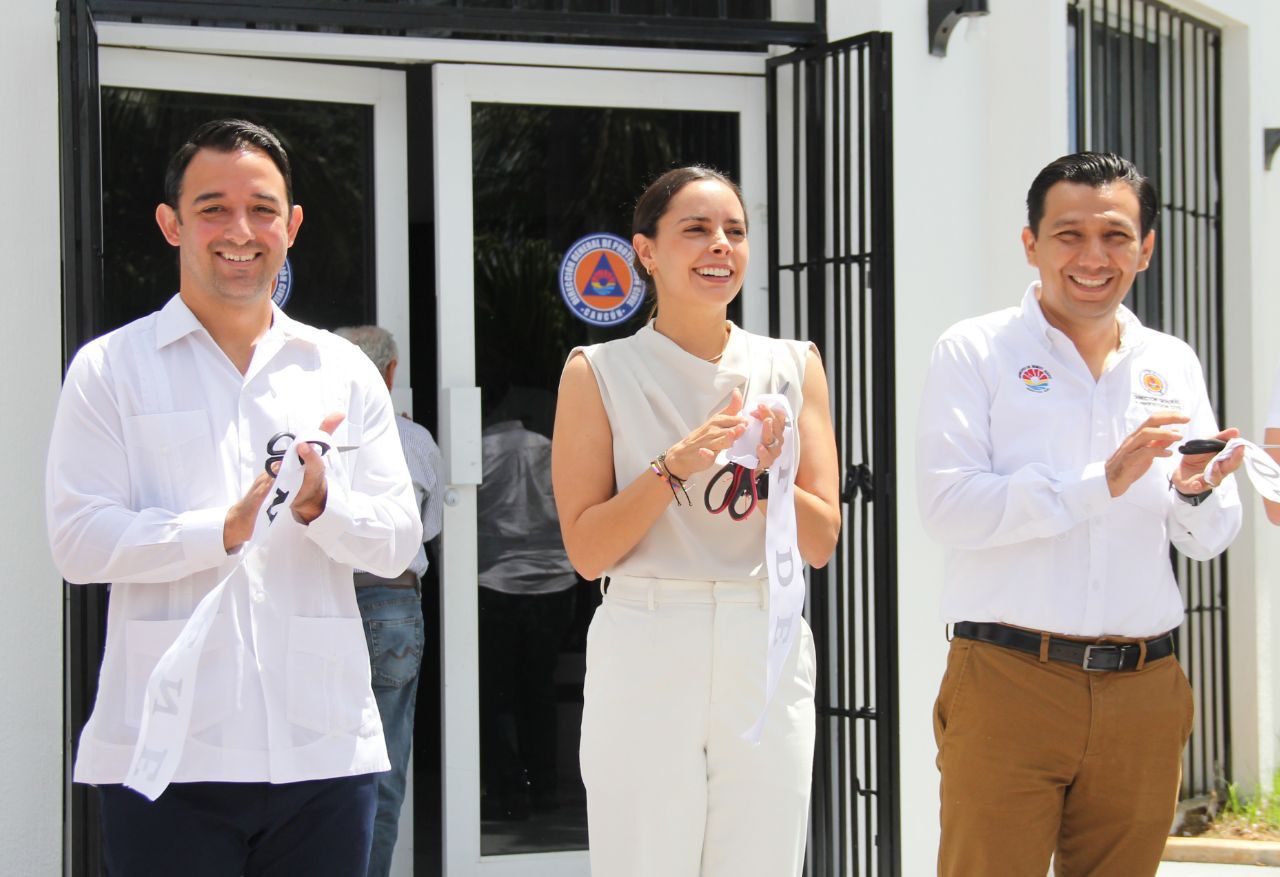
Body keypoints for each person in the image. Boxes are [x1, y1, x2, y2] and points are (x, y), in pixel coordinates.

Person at [45, 119, 422, 875]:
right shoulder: (110, 368)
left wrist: (323, 507)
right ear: (171, 224)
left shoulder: (342, 370)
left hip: (323, 752)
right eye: (213, 208)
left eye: (262, 209)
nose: (240, 231)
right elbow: (77, 541)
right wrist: (217, 528)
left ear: (292, 225)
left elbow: (396, 542)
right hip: (167, 752)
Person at [917, 152, 1245, 876]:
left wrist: (1196, 492)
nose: (1094, 257)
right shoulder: (976, 350)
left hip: (1145, 686)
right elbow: (949, 508)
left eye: (1116, 236)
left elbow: (1207, 538)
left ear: (1146, 249)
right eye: (1069, 234)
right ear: (1030, 244)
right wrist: (1101, 481)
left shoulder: (1172, 361)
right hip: (1009, 679)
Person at [552, 166, 841, 876]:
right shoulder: (597, 371)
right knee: (643, 858)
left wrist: (767, 478)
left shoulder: (792, 365)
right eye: (696, 229)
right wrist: (674, 466)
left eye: (735, 231)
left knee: (763, 858)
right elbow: (587, 551)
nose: (720, 246)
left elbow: (821, 541)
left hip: (762, 631)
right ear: (646, 251)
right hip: (648, 631)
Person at [334, 325, 443, 876]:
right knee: (384, 767)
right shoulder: (414, 440)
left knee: (318, 761)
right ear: (391, 372)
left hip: (322, 600)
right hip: (392, 602)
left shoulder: (310, 436)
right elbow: (429, 526)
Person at [476, 416, 578, 821]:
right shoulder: (549, 448)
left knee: (492, 693)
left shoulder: (479, 450)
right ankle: (545, 788)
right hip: (555, 582)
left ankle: (507, 788)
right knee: (539, 689)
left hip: (494, 579)